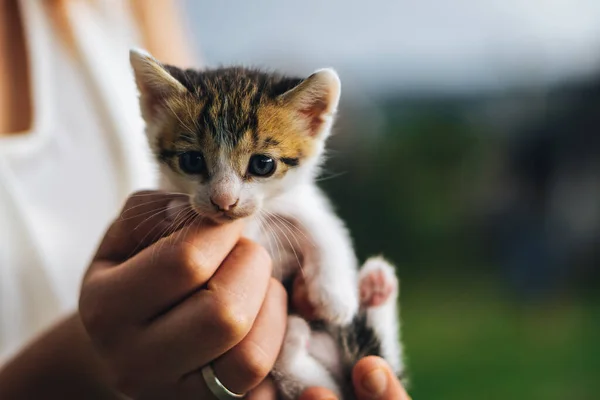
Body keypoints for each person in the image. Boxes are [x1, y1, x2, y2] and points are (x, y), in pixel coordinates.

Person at [0, 1, 409, 398]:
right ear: (154, 105)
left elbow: (326, 251)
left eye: (261, 165)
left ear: (313, 119)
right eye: (195, 161)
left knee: (353, 367)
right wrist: (79, 367)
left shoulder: (128, 9)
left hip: (304, 353)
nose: (225, 197)